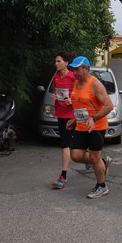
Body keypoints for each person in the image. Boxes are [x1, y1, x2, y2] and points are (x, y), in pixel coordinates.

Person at [67, 56, 114, 199]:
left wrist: (94, 119)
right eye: (73, 70)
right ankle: (102, 161)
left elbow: (109, 106)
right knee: (75, 155)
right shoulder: (76, 83)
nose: (74, 72)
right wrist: (74, 119)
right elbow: (81, 105)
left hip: (96, 126)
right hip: (81, 126)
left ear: (86, 69)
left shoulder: (95, 84)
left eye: (77, 69)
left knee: (94, 158)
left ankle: (102, 186)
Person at [50, 51, 76, 189]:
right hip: (60, 113)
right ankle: (98, 161)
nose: (56, 63)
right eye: (55, 61)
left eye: (59, 61)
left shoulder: (73, 77)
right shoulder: (55, 76)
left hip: (72, 115)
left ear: (66, 63)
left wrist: (72, 100)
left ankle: (63, 177)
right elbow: (55, 91)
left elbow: (79, 94)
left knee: (65, 144)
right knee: (74, 145)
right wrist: (54, 96)